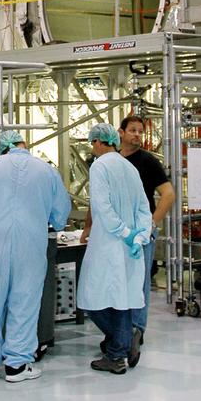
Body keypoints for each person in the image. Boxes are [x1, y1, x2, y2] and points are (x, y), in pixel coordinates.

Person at [0, 127, 71, 384]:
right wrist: (55, 223)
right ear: (25, 143)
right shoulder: (45, 170)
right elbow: (61, 211)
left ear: (2, 147)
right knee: (24, 299)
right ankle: (17, 364)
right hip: (30, 241)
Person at [78, 123, 151, 374]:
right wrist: (139, 235)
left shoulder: (99, 167)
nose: (92, 147)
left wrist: (124, 233)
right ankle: (121, 341)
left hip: (109, 243)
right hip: (129, 246)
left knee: (91, 299)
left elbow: (102, 207)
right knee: (121, 299)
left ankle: (117, 353)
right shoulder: (129, 167)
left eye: (92, 143)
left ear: (99, 142)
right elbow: (144, 207)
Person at [118, 114, 175, 363]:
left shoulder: (148, 161)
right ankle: (119, 330)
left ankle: (136, 331)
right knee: (117, 280)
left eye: (140, 131)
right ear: (120, 133)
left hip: (140, 233)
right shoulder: (110, 161)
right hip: (117, 231)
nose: (137, 135)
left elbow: (168, 194)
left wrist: (151, 224)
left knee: (139, 282)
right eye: (132, 130)